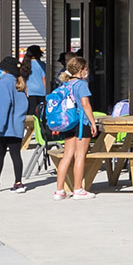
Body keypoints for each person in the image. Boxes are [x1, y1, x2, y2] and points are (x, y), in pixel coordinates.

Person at [52, 56, 94, 199]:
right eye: (86, 69)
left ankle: (59, 190)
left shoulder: (65, 84)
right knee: (80, 156)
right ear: (81, 70)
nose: (87, 72)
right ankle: (78, 189)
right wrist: (93, 122)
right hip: (82, 122)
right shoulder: (81, 84)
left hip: (68, 122)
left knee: (67, 156)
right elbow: (85, 104)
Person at [0, 58, 28, 192]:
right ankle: (18, 183)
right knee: (16, 154)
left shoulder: (2, 83)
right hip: (17, 125)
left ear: (5, 70)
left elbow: (3, 106)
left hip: (4, 126)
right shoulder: (20, 84)